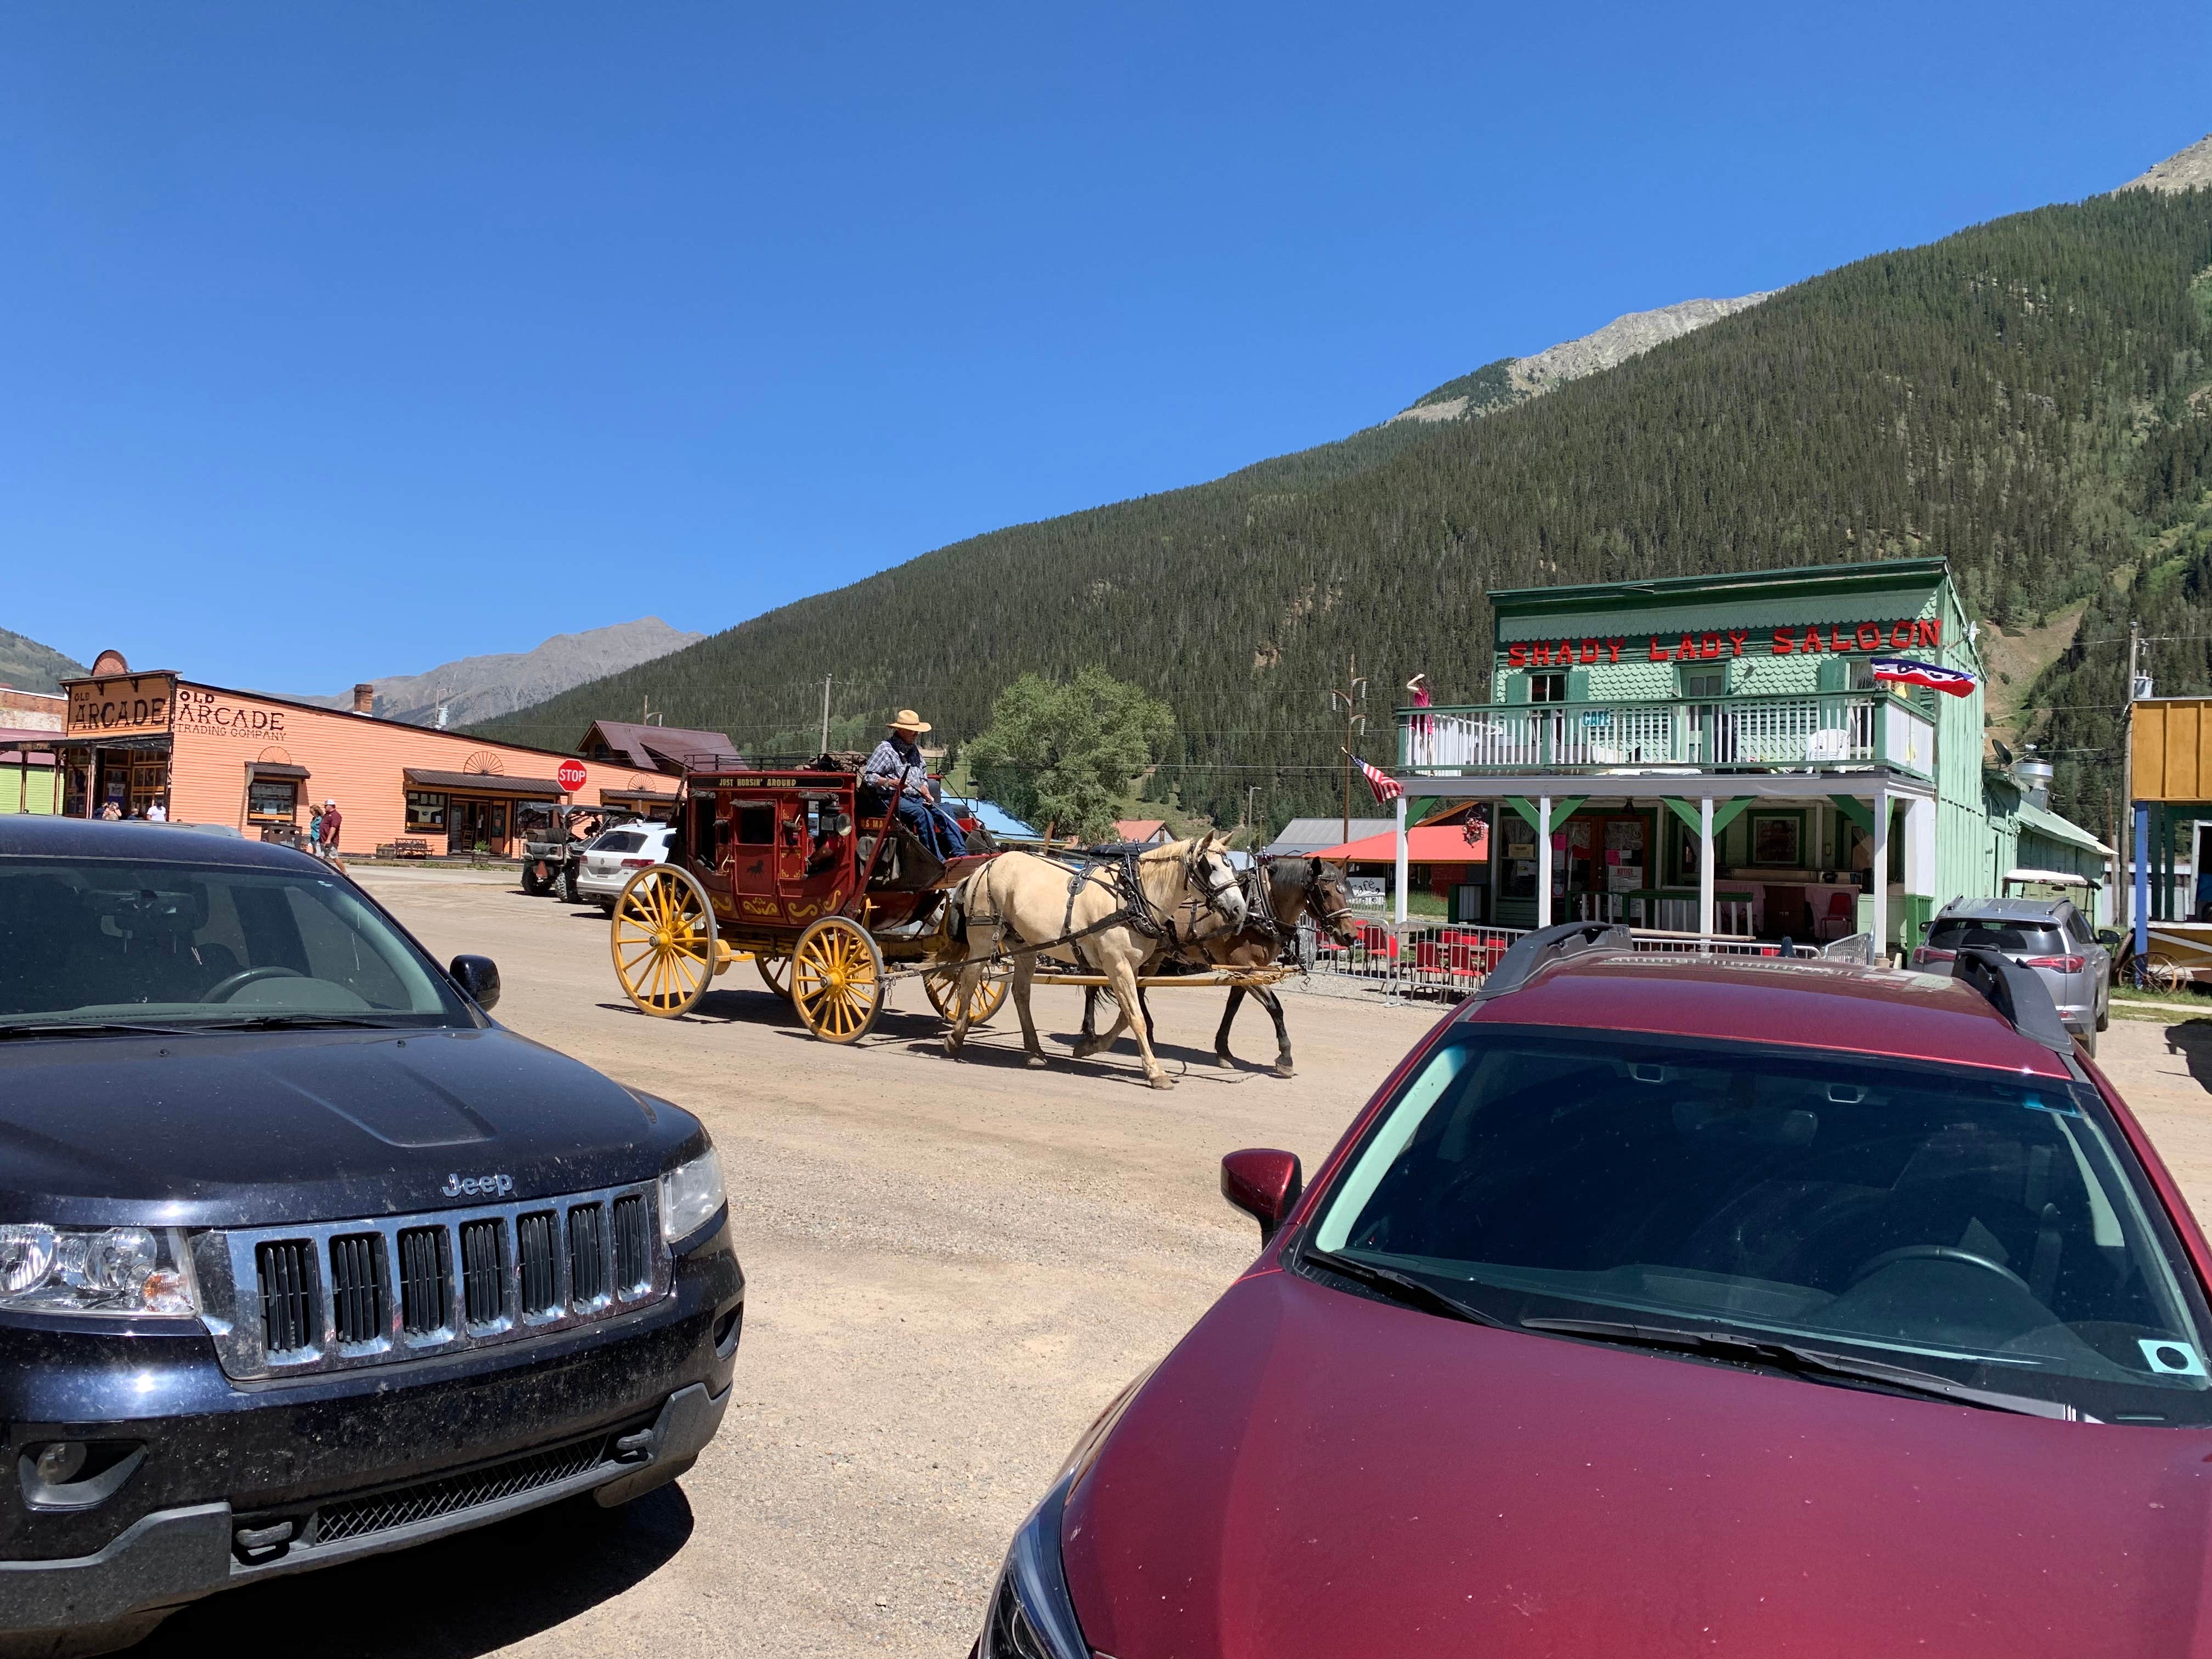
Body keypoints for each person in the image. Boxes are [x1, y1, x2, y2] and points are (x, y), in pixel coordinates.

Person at [862, 710, 967, 861]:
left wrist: (926, 791)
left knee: (945, 810)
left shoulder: (914, 750)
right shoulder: (886, 749)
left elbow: (922, 774)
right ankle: (936, 860)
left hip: (914, 798)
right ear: (901, 730)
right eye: (913, 731)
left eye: (917, 731)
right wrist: (890, 782)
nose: (916, 734)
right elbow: (869, 777)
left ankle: (961, 855)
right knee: (922, 814)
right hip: (889, 799)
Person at [319, 799, 343, 863]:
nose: (324, 807)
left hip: (331, 842)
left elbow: (333, 828)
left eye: (326, 806)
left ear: (331, 806)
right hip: (323, 840)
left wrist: (329, 839)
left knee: (334, 857)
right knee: (320, 857)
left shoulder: (336, 815)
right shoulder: (326, 815)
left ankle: (344, 873)